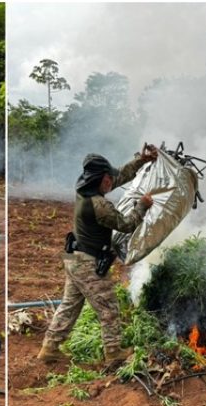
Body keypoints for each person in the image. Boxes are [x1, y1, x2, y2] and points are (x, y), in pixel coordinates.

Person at [37, 145, 158, 366]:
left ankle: (49, 349)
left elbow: (119, 175)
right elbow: (126, 224)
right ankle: (113, 353)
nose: (112, 181)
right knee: (109, 308)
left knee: (69, 305)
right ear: (101, 180)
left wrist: (142, 160)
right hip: (87, 263)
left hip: (73, 257)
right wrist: (142, 206)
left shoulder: (83, 190)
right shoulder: (100, 206)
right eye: (108, 178)